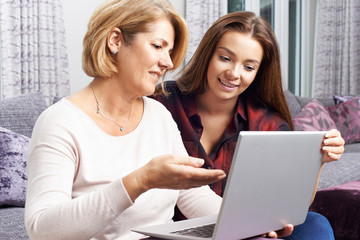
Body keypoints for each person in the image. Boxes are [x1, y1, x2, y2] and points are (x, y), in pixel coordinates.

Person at [24, 0, 230, 239]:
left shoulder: (159, 115)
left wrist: (253, 222)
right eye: (157, 46)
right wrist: (140, 180)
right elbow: (41, 230)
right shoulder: (60, 122)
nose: (169, 63)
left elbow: (191, 196)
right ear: (115, 41)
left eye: (170, 51)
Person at [153, 11, 345, 240]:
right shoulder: (162, 102)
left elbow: (287, 203)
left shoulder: (268, 124)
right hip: (175, 228)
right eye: (225, 58)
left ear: (258, 73)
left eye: (248, 67)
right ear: (207, 55)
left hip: (245, 229)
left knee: (314, 224)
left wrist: (318, 159)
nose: (234, 74)